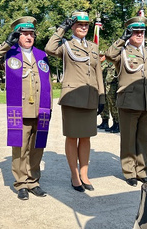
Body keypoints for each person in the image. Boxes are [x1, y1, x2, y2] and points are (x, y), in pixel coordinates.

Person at [0, 16, 52, 200]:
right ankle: (21, 183)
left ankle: (33, 181)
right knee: (20, 147)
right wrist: (6, 44)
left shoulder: (41, 55)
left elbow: (47, 83)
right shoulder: (10, 54)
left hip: (41, 109)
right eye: (24, 33)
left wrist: (49, 106)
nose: (29, 37)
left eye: (31, 33)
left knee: (37, 147)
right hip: (20, 108)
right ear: (18, 35)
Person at [45, 11, 105, 192]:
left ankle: (85, 174)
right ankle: (74, 174)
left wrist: (101, 96)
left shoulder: (93, 47)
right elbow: (49, 48)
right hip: (72, 98)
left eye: (86, 25)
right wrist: (61, 28)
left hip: (90, 96)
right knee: (72, 137)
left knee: (86, 137)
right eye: (79, 24)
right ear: (72, 26)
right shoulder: (65, 45)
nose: (84, 27)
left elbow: (98, 73)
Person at [105, 16, 147, 187]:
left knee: (143, 139)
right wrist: (122, 38)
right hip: (128, 101)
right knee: (128, 139)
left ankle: (142, 171)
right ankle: (129, 171)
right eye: (135, 32)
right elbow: (108, 54)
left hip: (146, 101)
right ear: (129, 33)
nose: (139, 35)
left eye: (141, 32)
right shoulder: (122, 52)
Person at [97, 52, 119, 133]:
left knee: (113, 105)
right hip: (105, 86)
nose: (100, 57)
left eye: (101, 56)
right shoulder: (102, 64)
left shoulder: (112, 63)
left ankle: (117, 123)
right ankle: (105, 121)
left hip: (112, 86)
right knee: (106, 104)